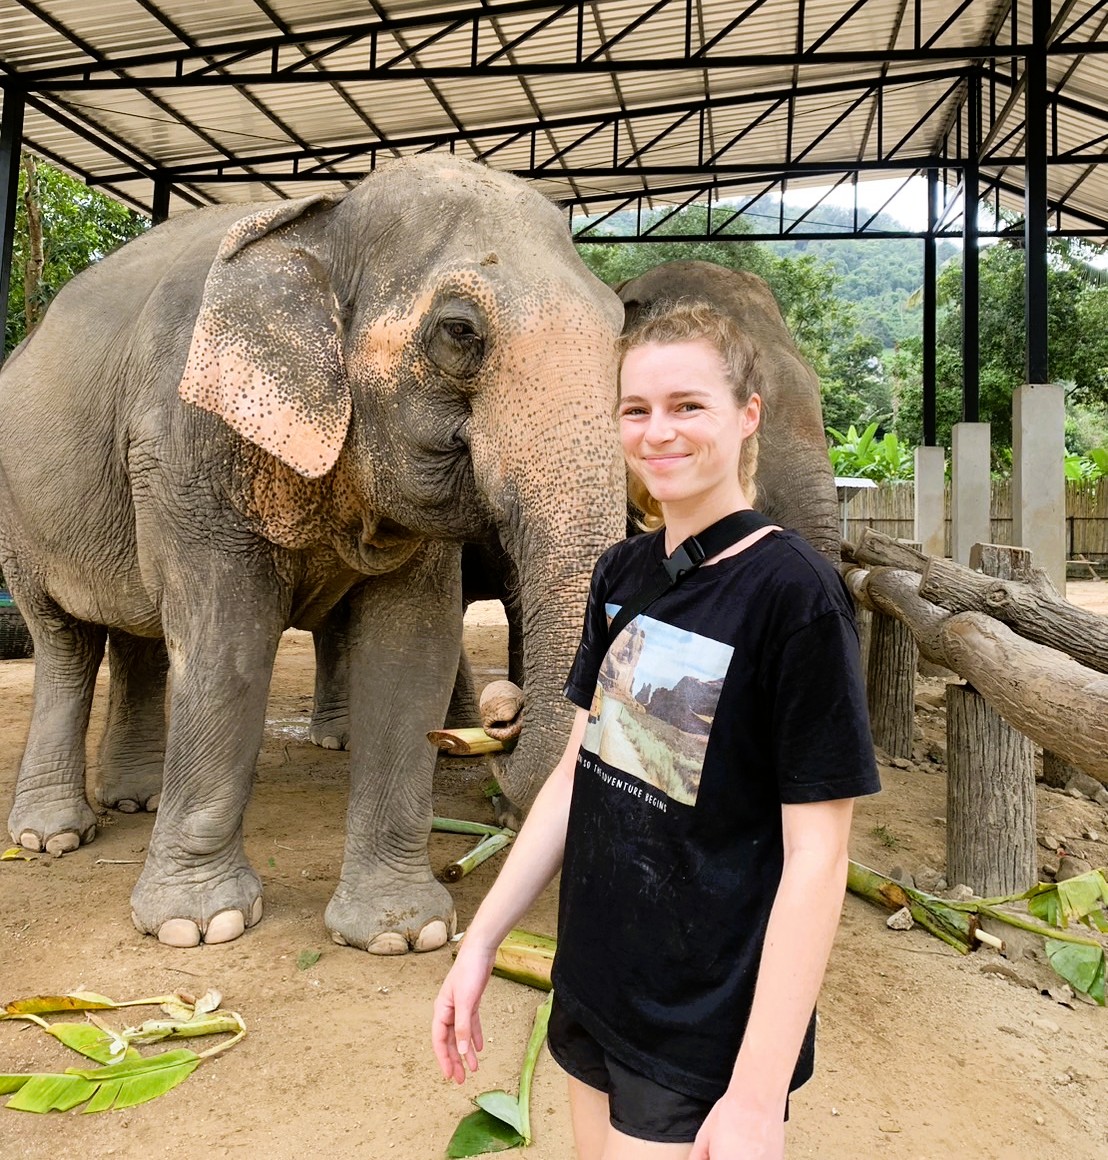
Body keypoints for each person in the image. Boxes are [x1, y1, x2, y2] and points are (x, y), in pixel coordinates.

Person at [432, 301, 880, 1159]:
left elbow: (820, 859)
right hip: (596, 983)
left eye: (688, 406)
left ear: (748, 417)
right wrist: (481, 939)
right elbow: (577, 772)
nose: (657, 432)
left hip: (703, 1022)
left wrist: (754, 1095)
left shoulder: (795, 597)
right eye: (636, 409)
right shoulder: (623, 571)